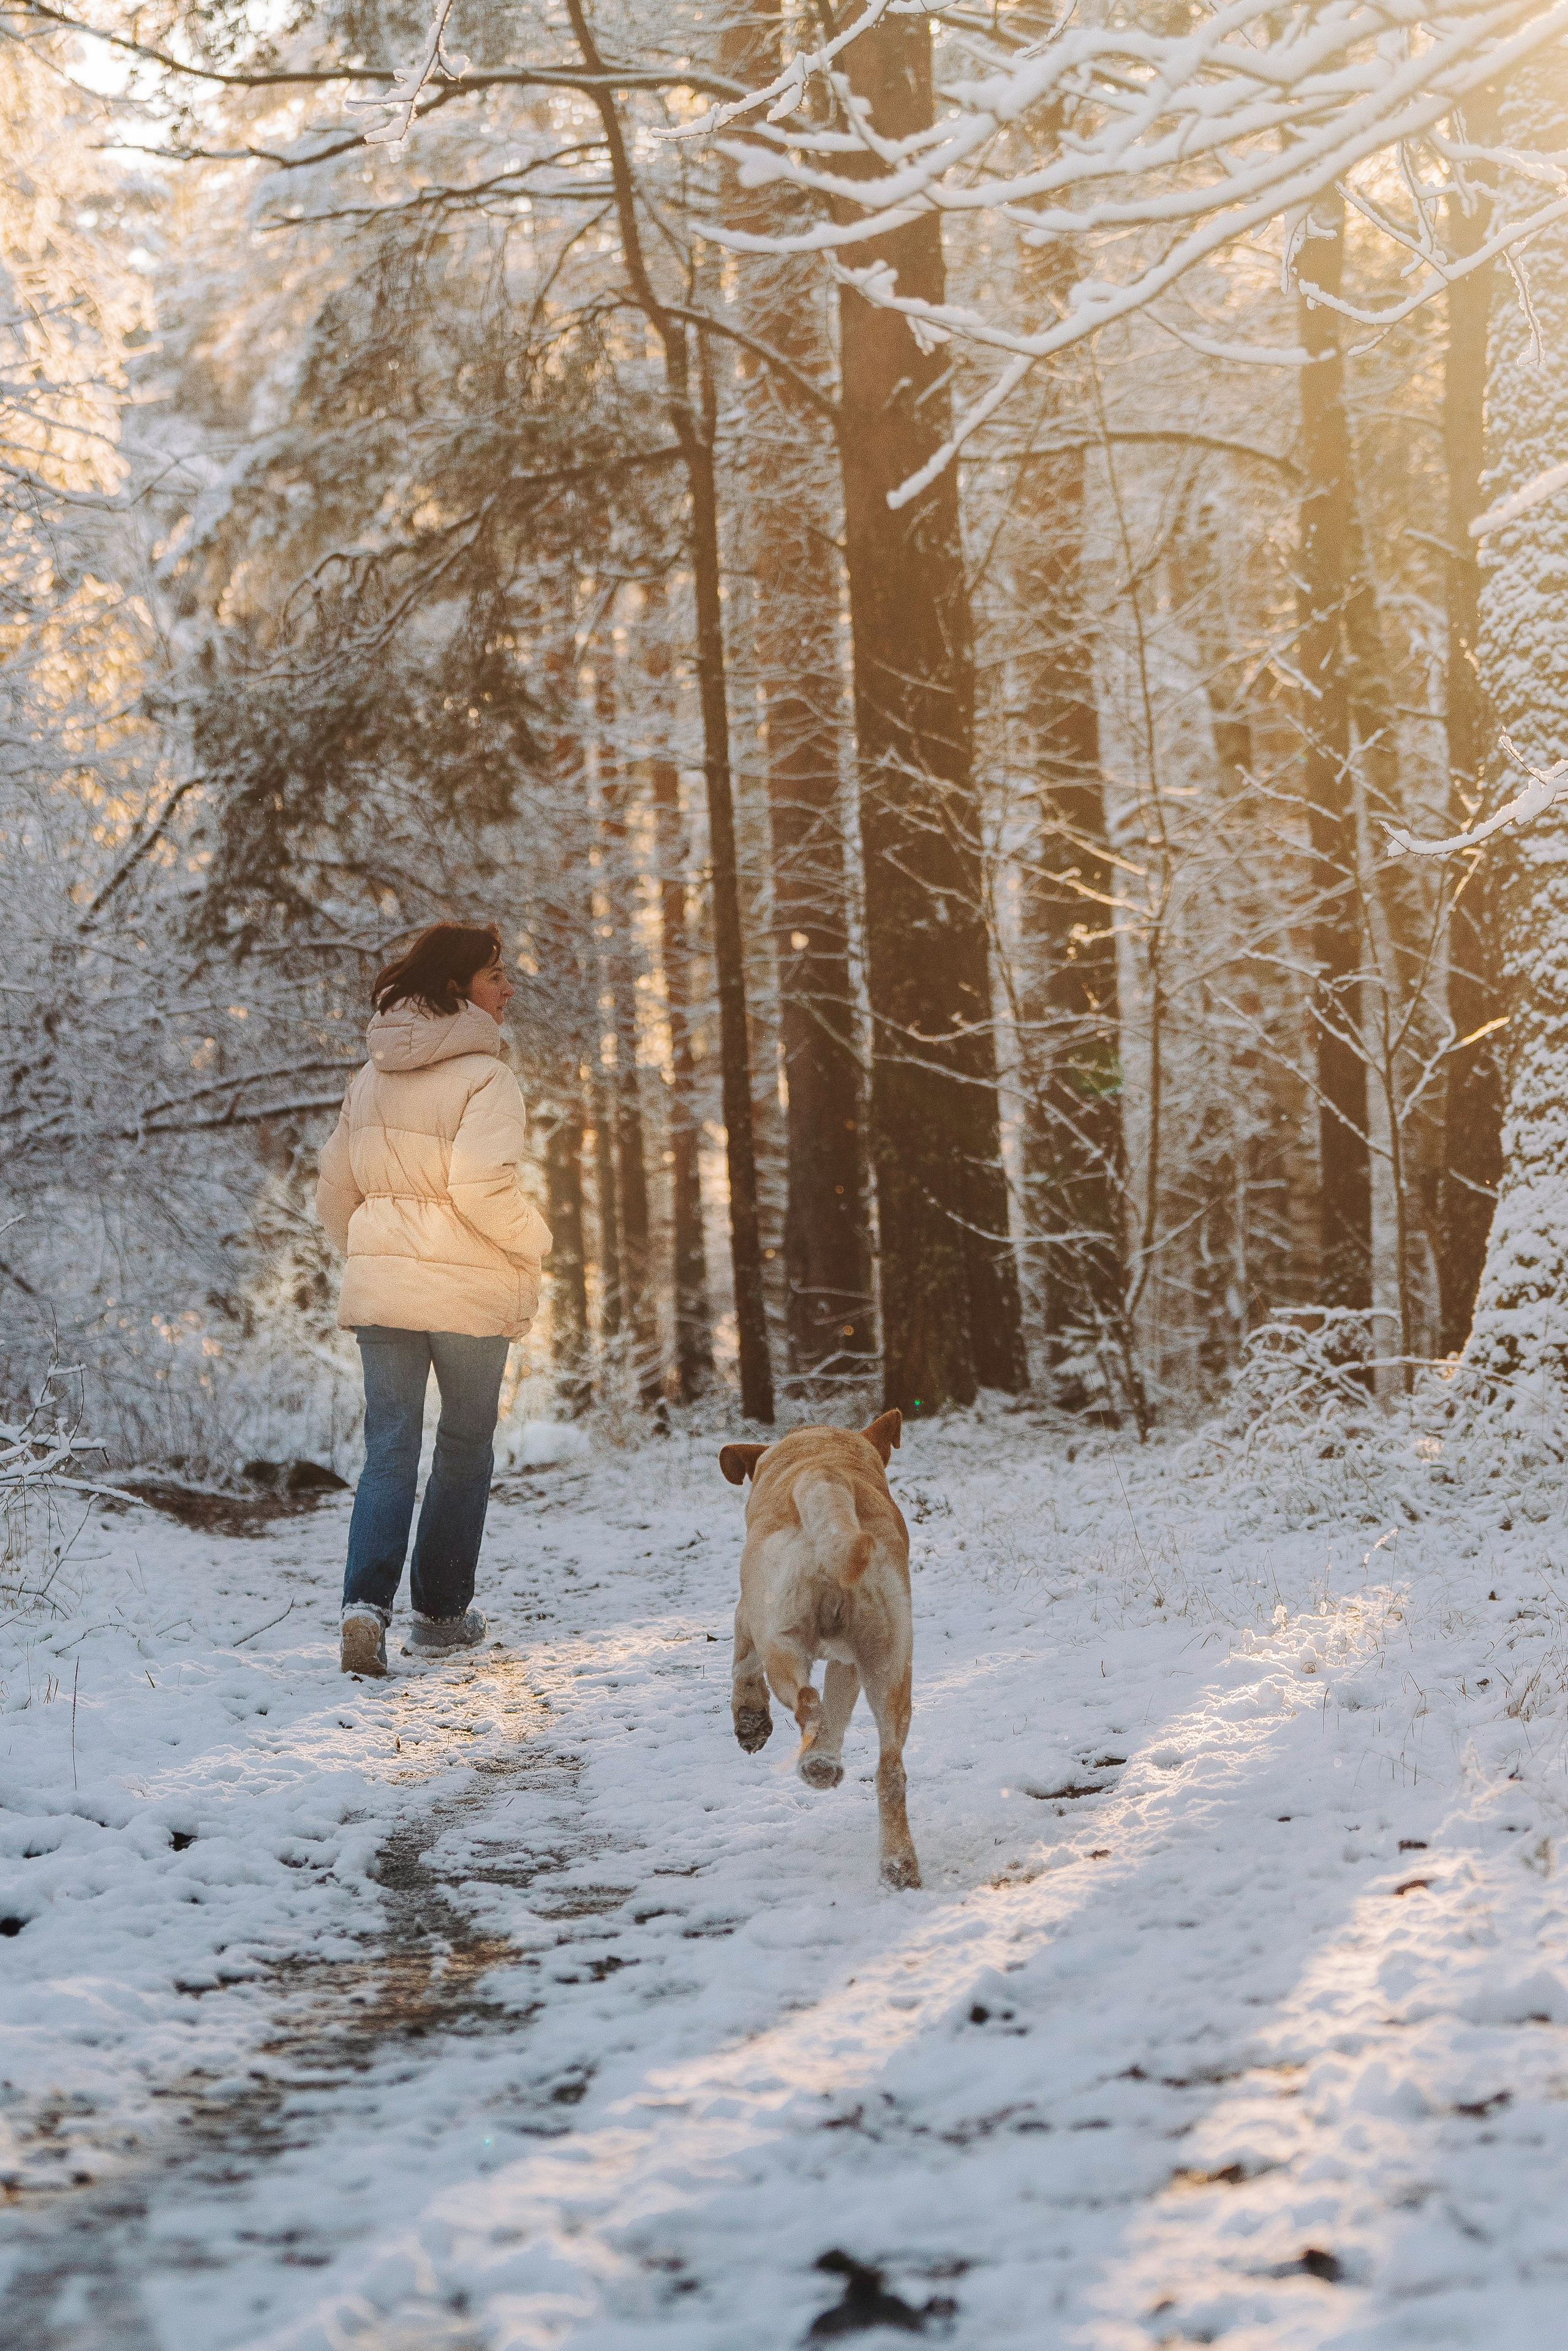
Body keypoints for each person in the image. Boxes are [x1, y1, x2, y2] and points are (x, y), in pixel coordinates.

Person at [316, 921, 551, 1677]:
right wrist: (537, 1240)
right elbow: (480, 1189)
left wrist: (376, 1250)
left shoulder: (371, 1075)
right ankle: (442, 1615)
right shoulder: (488, 1075)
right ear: (459, 987)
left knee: (388, 1449)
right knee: (462, 1447)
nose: (509, 987)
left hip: (384, 1288)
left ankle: (363, 1609)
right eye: (496, 975)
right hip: (468, 1288)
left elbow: (334, 1191)